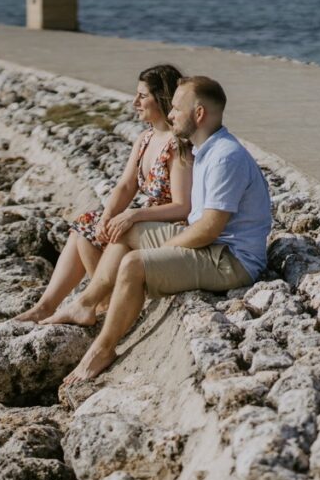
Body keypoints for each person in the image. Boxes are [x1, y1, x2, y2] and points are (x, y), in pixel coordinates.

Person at [62, 75, 273, 384]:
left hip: (231, 260)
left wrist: (161, 252)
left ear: (198, 114)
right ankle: (87, 303)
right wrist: (132, 218)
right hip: (211, 245)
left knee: (133, 263)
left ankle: (102, 350)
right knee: (128, 229)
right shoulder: (205, 150)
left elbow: (209, 229)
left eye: (176, 108)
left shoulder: (225, 157)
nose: (170, 114)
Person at [14, 64, 192, 324]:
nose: (135, 102)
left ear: (162, 98)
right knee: (89, 225)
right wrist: (108, 215)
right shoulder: (145, 138)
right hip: (146, 220)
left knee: (95, 228)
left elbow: (182, 206)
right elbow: (125, 186)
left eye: (142, 96)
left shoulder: (177, 145)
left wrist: (133, 215)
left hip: (171, 227)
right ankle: (48, 306)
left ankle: (102, 304)